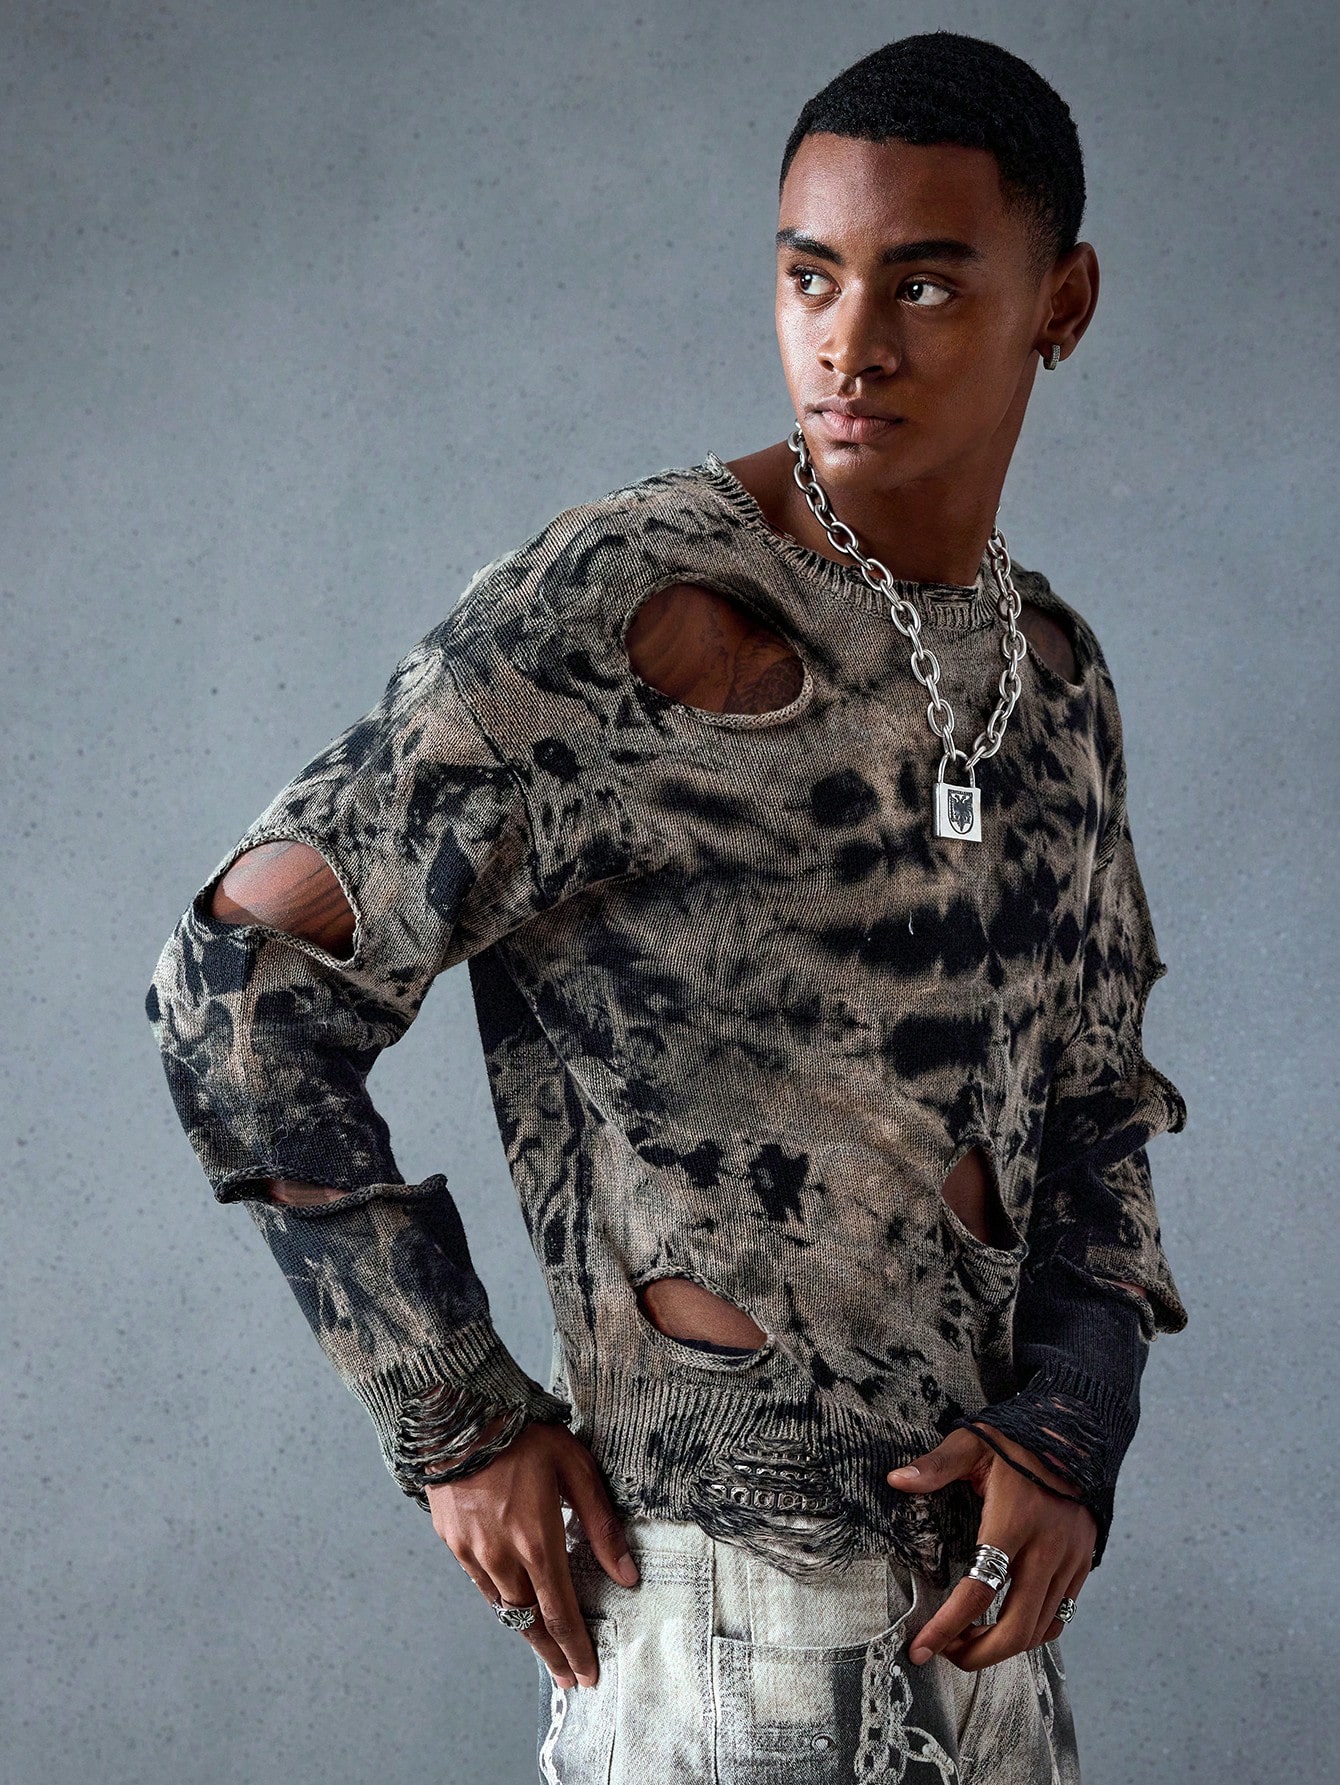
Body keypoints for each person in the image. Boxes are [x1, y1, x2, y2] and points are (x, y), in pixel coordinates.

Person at [146, 30, 1189, 1783]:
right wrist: (453, 1412)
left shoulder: (1053, 672)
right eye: (810, 277)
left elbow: (1094, 1099)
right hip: (721, 1637)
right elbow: (233, 984)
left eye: (926, 285)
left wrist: (1077, 1420)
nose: (848, 343)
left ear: (1061, 305)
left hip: (995, 1650)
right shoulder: (635, 607)